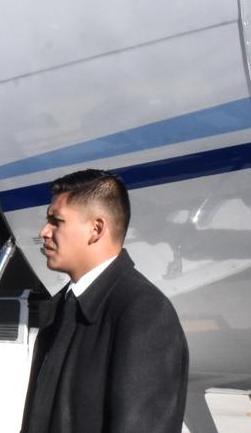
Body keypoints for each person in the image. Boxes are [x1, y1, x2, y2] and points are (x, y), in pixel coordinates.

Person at [19, 169, 189, 433]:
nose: (44, 231)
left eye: (56, 221)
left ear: (96, 229)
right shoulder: (63, 309)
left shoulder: (144, 313)